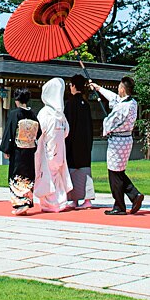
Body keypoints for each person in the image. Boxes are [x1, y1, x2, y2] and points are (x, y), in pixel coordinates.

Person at [93, 77, 143, 215]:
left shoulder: (122, 107)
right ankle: (134, 195)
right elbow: (114, 98)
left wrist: (105, 123)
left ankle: (120, 205)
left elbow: (111, 121)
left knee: (114, 173)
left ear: (122, 88)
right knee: (118, 172)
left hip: (118, 141)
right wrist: (99, 88)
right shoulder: (132, 102)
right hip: (127, 139)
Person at [33, 77, 73, 213]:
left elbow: (38, 132)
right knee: (57, 176)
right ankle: (60, 201)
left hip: (48, 151)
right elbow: (67, 131)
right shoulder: (60, 115)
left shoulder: (45, 113)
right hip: (60, 151)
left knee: (47, 177)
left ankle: (51, 204)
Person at [0, 89, 39, 215]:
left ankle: (20, 204)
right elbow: (39, 132)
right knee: (28, 175)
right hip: (29, 150)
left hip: (18, 150)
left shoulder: (14, 114)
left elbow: (9, 132)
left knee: (16, 175)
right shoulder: (32, 114)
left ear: (16, 100)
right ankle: (27, 201)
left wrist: (6, 149)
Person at [64, 74, 97, 209]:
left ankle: (74, 200)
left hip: (72, 143)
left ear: (73, 86)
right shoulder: (86, 105)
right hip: (84, 143)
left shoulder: (70, 104)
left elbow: (67, 126)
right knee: (85, 171)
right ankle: (87, 199)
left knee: (73, 171)